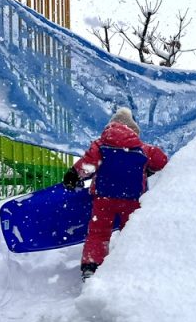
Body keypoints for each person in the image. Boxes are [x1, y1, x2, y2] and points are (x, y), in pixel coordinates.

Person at [62, 107, 168, 280]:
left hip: (104, 197)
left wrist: (73, 175)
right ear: (133, 130)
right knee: (131, 231)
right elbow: (162, 161)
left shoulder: (100, 145)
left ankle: (91, 266)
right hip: (133, 199)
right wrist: (146, 169)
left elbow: (87, 165)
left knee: (99, 232)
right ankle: (130, 263)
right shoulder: (143, 148)